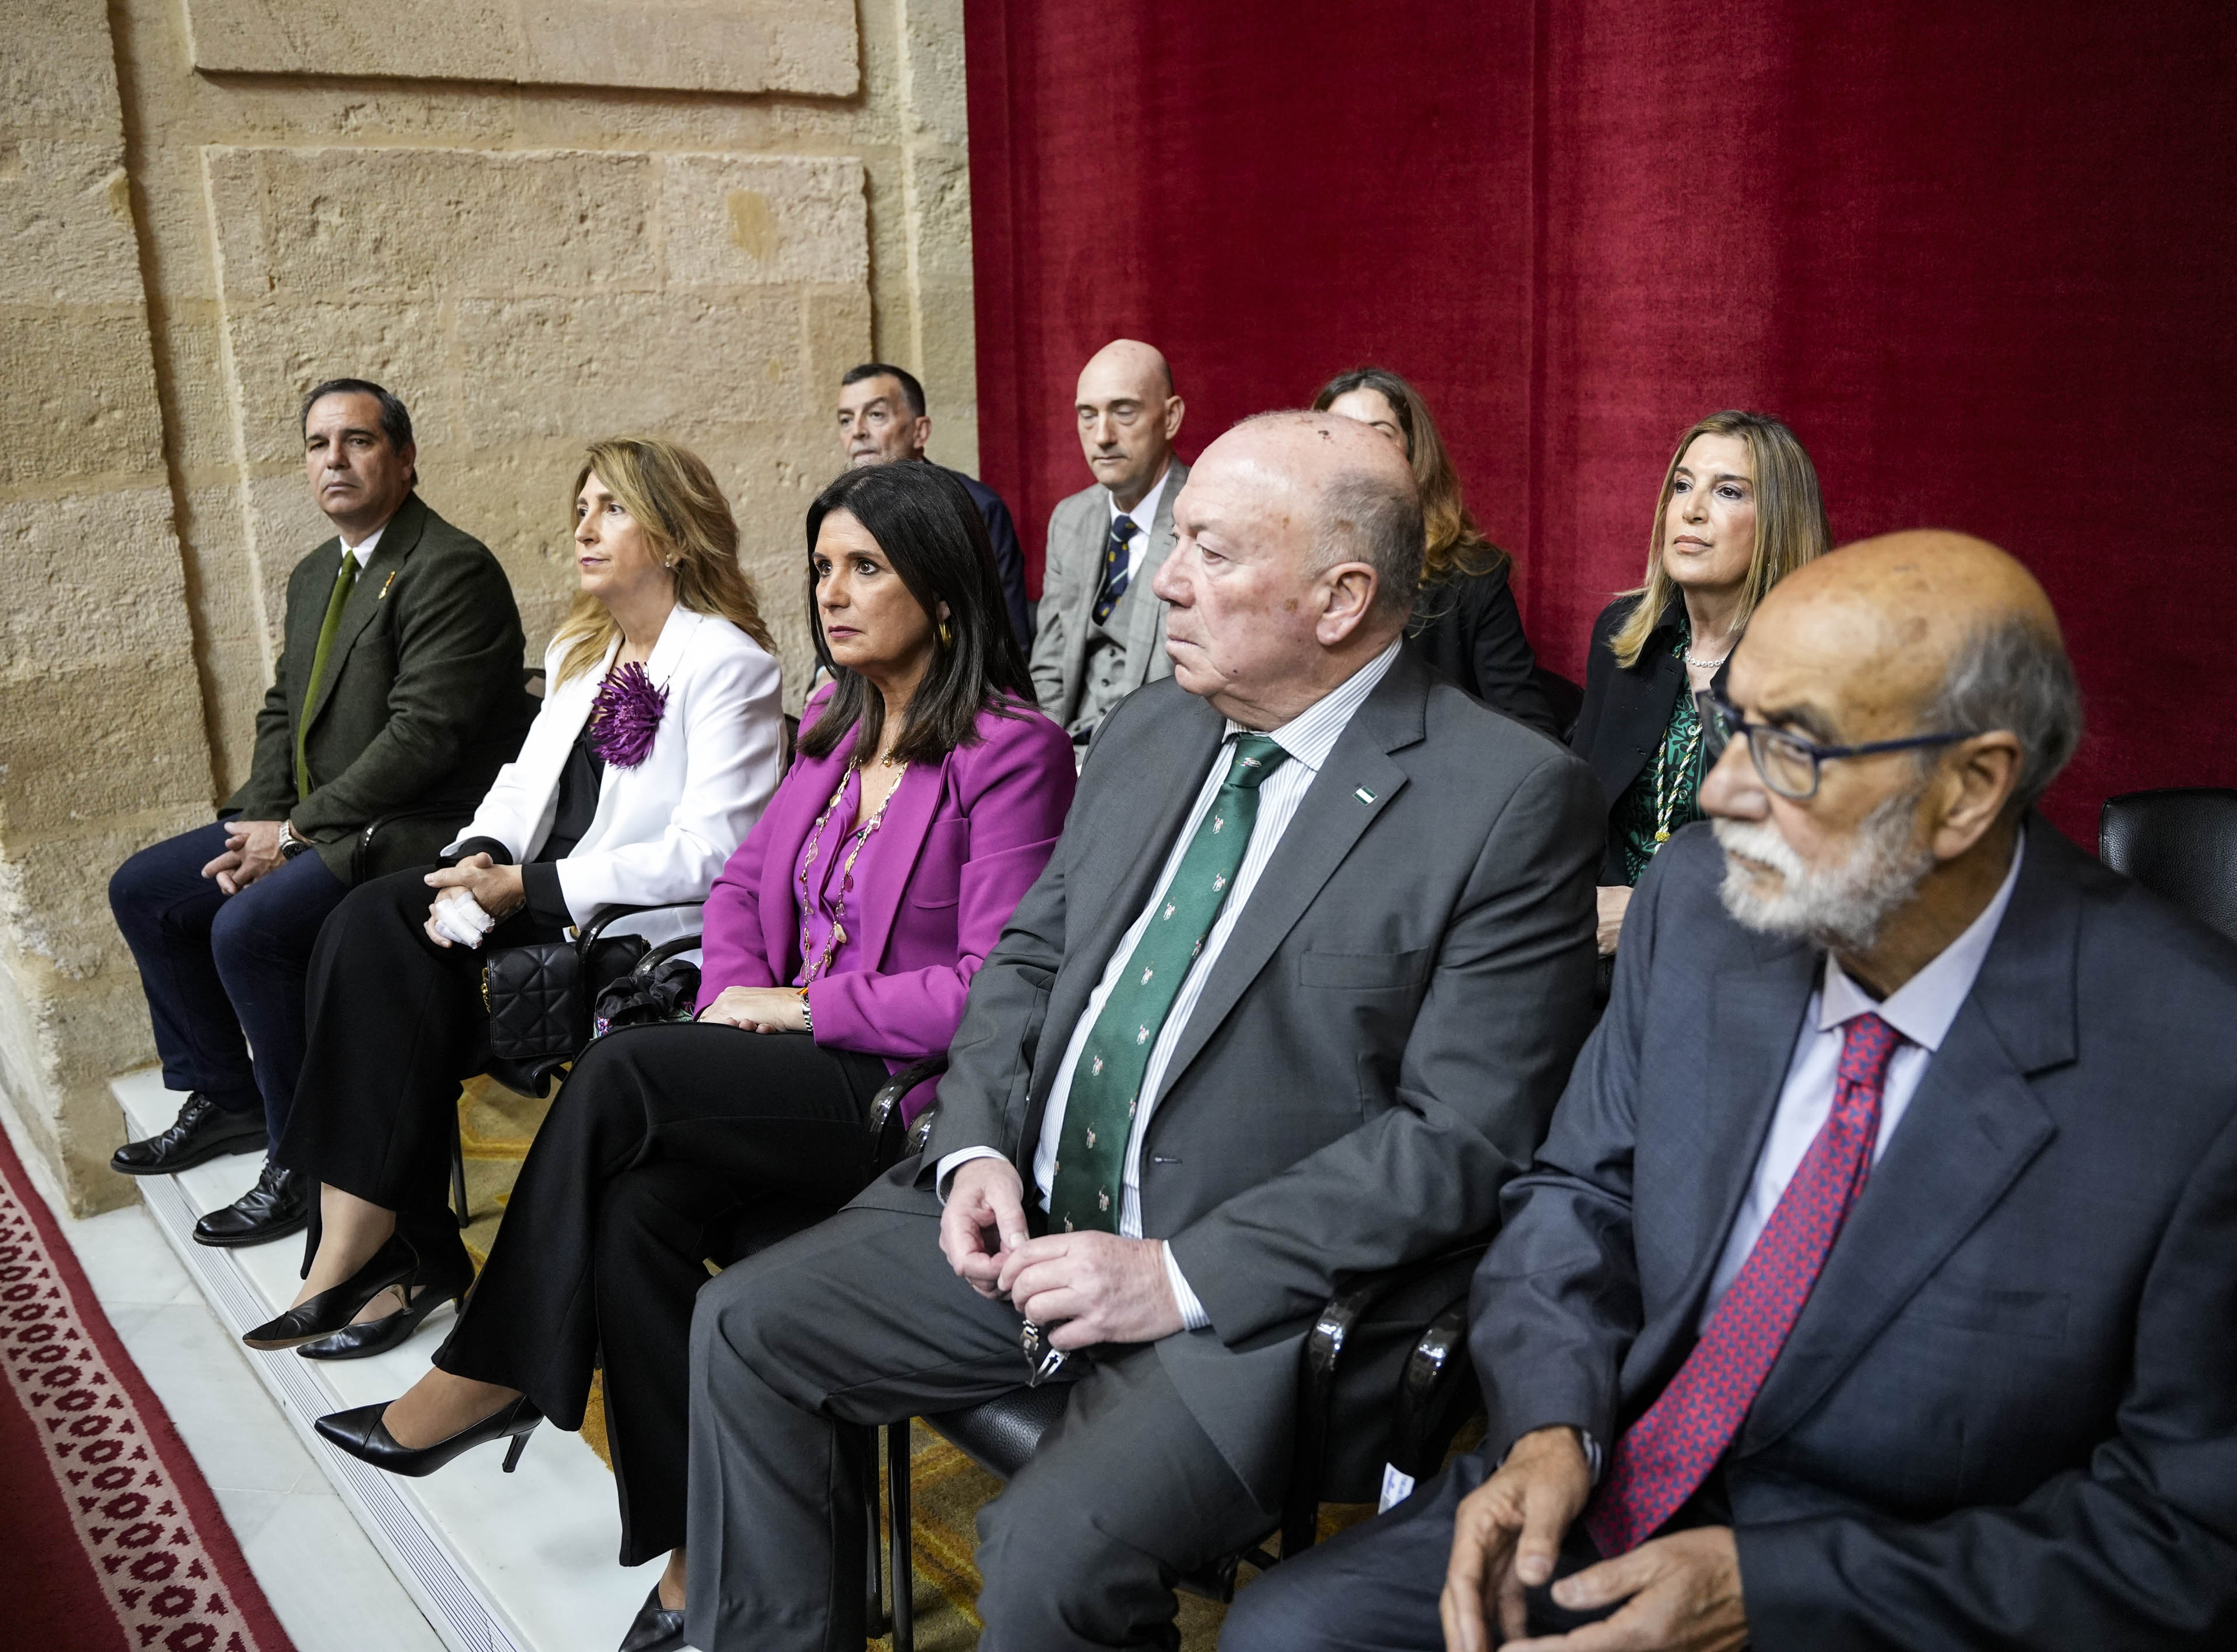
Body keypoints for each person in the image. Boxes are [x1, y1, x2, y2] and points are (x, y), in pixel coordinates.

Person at [1221, 533, 2237, 1652]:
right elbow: (1581, 1194)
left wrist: (1774, 1588)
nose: (1720, 792)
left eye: (1791, 748)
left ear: (1969, 787)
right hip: (1603, 1470)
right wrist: (1549, 1426)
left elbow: (2190, 1541)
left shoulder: (2210, 1074)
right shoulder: (1701, 904)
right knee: (1288, 1631)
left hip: (1898, 1585)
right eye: (1731, 724)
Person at [678, 412, 1604, 1651]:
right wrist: (976, 1151)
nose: (1164, 577)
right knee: (742, 1323)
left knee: (1046, 1556)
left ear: (1339, 597)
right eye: (1176, 543)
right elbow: (1027, 959)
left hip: (1238, 1293)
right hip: (1021, 1217)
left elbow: (1460, 1138)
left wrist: (1171, 1275)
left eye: (1211, 553)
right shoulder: (1152, 726)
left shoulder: (1502, 797)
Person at [312, 459, 1074, 1652]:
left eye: (866, 567)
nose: (832, 591)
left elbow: (994, 990)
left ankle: (498, 1364)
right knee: (637, 1210)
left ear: (940, 588)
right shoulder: (834, 723)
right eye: (821, 565)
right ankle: (697, 1552)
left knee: (621, 1071)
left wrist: (796, 1012)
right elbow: (740, 888)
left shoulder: (1010, 749)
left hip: (893, 1093)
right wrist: (730, 1001)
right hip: (775, 1061)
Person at [247, 437, 786, 1360]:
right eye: (579, 508)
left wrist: (526, 886)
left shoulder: (726, 663)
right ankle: (369, 1249)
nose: (583, 526)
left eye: (610, 508)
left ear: (673, 533)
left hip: (627, 935)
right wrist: (478, 856)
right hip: (526, 896)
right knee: (366, 926)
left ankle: (387, 1255)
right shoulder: (582, 647)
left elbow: (712, 854)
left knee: (386, 970)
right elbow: (518, 781)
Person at [106, 379, 536, 1248]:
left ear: (405, 460)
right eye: (316, 445)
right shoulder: (316, 573)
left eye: (358, 441)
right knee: (150, 891)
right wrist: (255, 826)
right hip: (321, 820)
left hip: (417, 830)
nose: (333, 460)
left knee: (249, 933)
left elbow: (424, 739)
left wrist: (294, 835)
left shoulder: (450, 567)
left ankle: (304, 1165)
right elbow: (279, 713)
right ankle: (229, 1095)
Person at [1571, 410, 1829, 962]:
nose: (1691, 510)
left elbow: (1811, 878)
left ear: (1778, 521)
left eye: (1728, 492)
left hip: (1738, 962)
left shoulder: (1817, 668)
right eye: (1682, 485)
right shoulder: (1621, 636)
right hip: (1598, 962)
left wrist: (1646, 912)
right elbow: (1578, 812)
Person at [1313, 367, 1557, 736]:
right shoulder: (1278, 560)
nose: (1356, 447)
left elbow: (1530, 729)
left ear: (1412, 450)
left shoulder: (1472, 574)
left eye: (1378, 433)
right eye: (1338, 432)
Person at [1027, 339, 1190, 747]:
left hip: (1158, 751)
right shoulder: (1069, 518)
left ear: (1170, 417)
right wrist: (1043, 754)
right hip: (1068, 747)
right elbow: (1047, 667)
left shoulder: (1206, 520)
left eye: (1123, 412)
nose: (1102, 436)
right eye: (1087, 415)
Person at [837, 361, 1033, 651]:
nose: (857, 432)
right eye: (846, 420)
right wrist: (824, 676)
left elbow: (1008, 639)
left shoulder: (978, 508)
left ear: (921, 431)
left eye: (876, 415)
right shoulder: (837, 515)